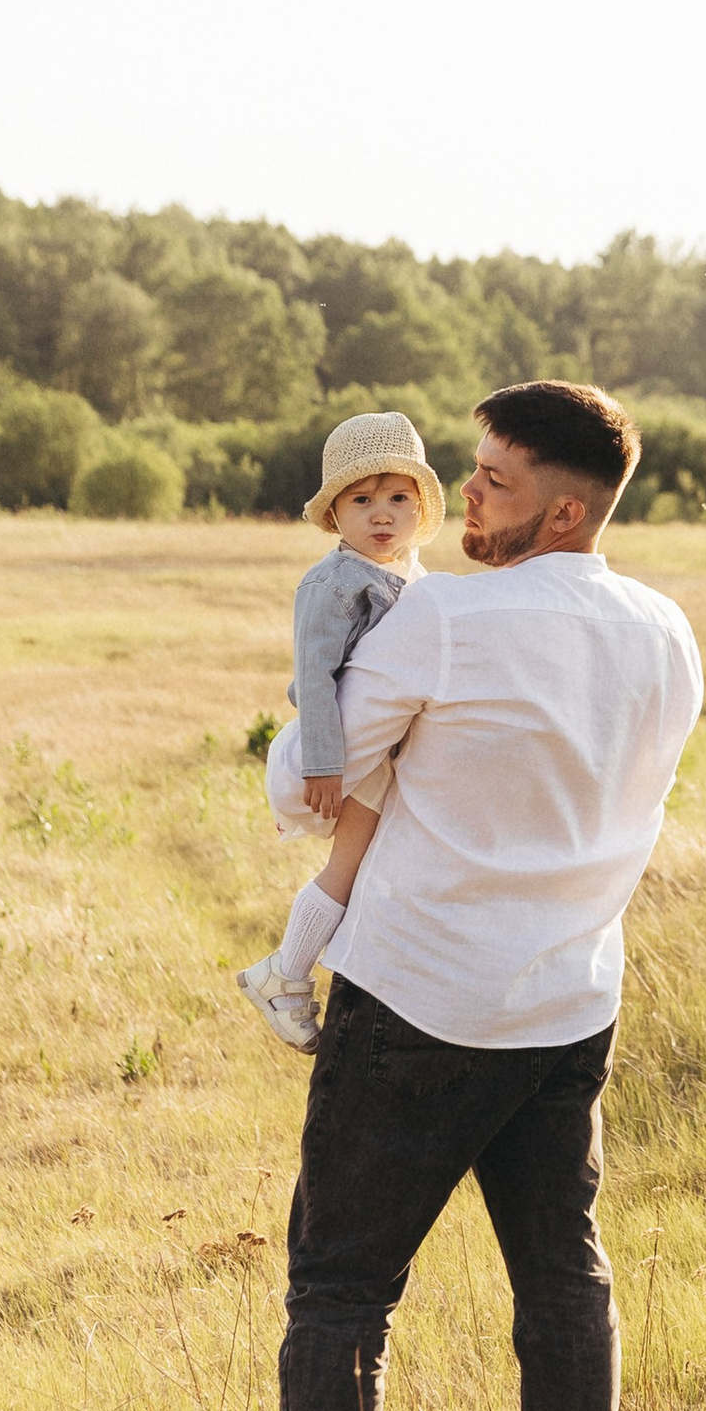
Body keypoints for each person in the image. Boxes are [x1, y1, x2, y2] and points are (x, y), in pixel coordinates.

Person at [259, 381, 702, 1411]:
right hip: (568, 1001)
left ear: (562, 512)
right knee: (563, 1281)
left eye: (495, 480)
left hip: (417, 998)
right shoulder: (666, 629)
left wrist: (318, 737)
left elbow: (304, 785)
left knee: (341, 1291)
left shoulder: (441, 619)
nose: (466, 493)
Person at [236, 410, 446, 1052]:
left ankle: (305, 971)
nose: (382, 514)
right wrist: (325, 764)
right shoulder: (333, 584)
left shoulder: (412, 576)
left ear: (420, 508)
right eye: (362, 500)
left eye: (398, 498)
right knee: (347, 866)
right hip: (347, 754)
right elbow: (314, 679)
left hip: (386, 754)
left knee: (374, 865)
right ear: (334, 513)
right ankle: (285, 973)